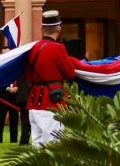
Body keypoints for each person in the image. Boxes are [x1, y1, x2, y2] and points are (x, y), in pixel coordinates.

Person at [25, 10, 77, 147]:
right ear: (59, 29)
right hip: (52, 102)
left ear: (42, 29)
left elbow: (28, 77)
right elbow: (70, 73)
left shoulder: (33, 48)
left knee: (38, 144)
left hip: (34, 101)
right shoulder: (58, 48)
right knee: (54, 143)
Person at [0, 41, 21, 144]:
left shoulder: (17, 64)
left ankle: (14, 140)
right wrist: (8, 88)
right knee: (0, 118)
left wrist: (17, 88)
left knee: (14, 119)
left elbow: (21, 77)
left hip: (16, 95)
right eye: (3, 53)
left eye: (7, 53)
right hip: (3, 94)